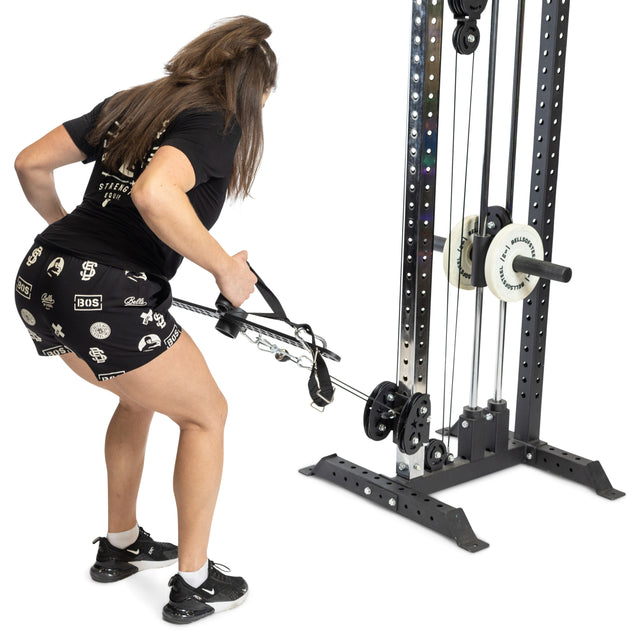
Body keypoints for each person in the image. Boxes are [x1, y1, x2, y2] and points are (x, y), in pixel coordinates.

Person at [13, 15, 277, 625]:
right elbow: (155, 194)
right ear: (252, 89)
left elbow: (30, 163)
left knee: (138, 399)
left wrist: (64, 234)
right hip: (104, 294)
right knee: (206, 415)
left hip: (41, 278)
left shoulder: (133, 103)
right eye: (266, 97)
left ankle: (121, 545)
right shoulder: (217, 123)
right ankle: (194, 581)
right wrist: (223, 271)